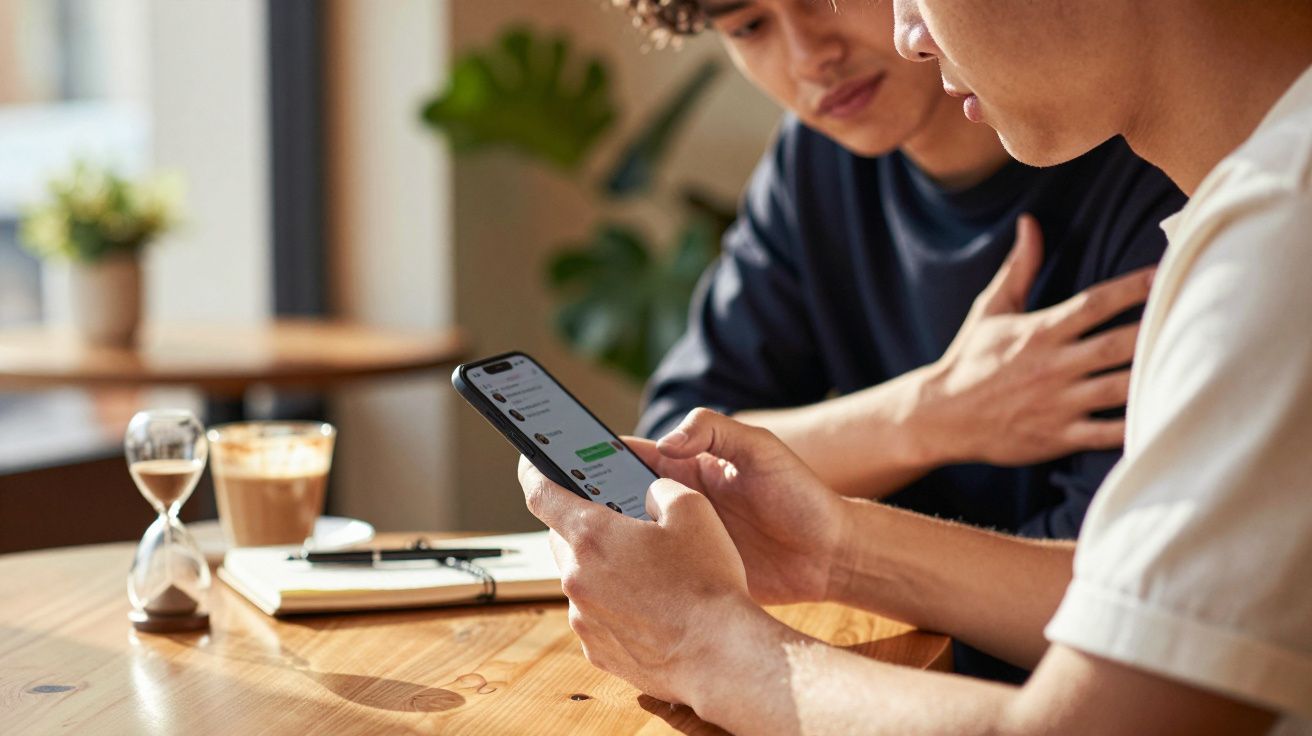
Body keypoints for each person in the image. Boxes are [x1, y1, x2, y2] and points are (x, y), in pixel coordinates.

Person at [519, 0, 1312, 733]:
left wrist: (704, 642)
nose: (907, 34)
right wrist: (850, 533)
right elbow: (1143, 599)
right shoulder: (1251, 201)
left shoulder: (1277, 228)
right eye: (751, 25)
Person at [629, 0, 1182, 681]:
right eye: (749, 27)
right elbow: (667, 453)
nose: (809, 56)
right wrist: (927, 417)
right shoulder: (816, 165)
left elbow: (1120, 599)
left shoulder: (1152, 178)